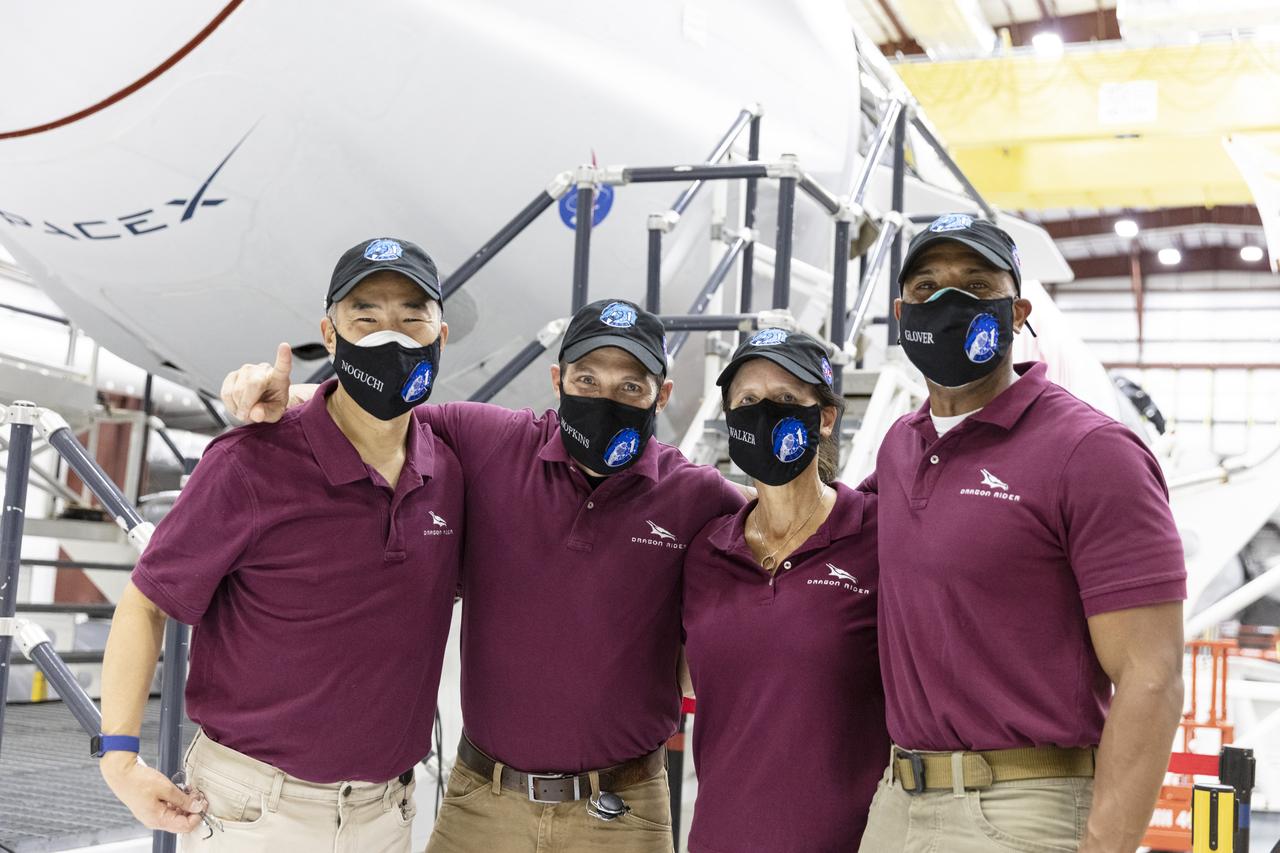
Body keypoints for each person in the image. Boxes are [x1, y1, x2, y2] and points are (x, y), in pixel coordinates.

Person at [220, 297, 747, 852]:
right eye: (587, 379)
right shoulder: (491, 441)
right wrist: (287, 392)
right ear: (557, 379)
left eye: (630, 387)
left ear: (661, 395)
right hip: (482, 802)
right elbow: (377, 409)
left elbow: (783, 529)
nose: (605, 398)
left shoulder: (696, 494)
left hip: (620, 811)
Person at [99, 237, 462, 852]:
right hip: (255, 812)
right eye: (365, 318)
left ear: (440, 335)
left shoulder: (450, 472)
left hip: (389, 813)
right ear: (331, 331)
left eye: (411, 317)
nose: (390, 336)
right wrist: (119, 759)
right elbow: (148, 601)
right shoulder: (250, 462)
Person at [858, 214, 1186, 853]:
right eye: (927, 289)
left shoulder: (1091, 452)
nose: (949, 303)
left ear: (1017, 312)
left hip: (1021, 808)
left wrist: (1105, 845)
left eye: (976, 287)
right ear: (902, 314)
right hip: (899, 800)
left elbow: (1153, 674)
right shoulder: (901, 445)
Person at [682, 329, 886, 853]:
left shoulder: (879, 536)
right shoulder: (707, 551)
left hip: (851, 840)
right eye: (747, 401)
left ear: (824, 418)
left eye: (787, 400)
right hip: (720, 837)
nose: (764, 413)